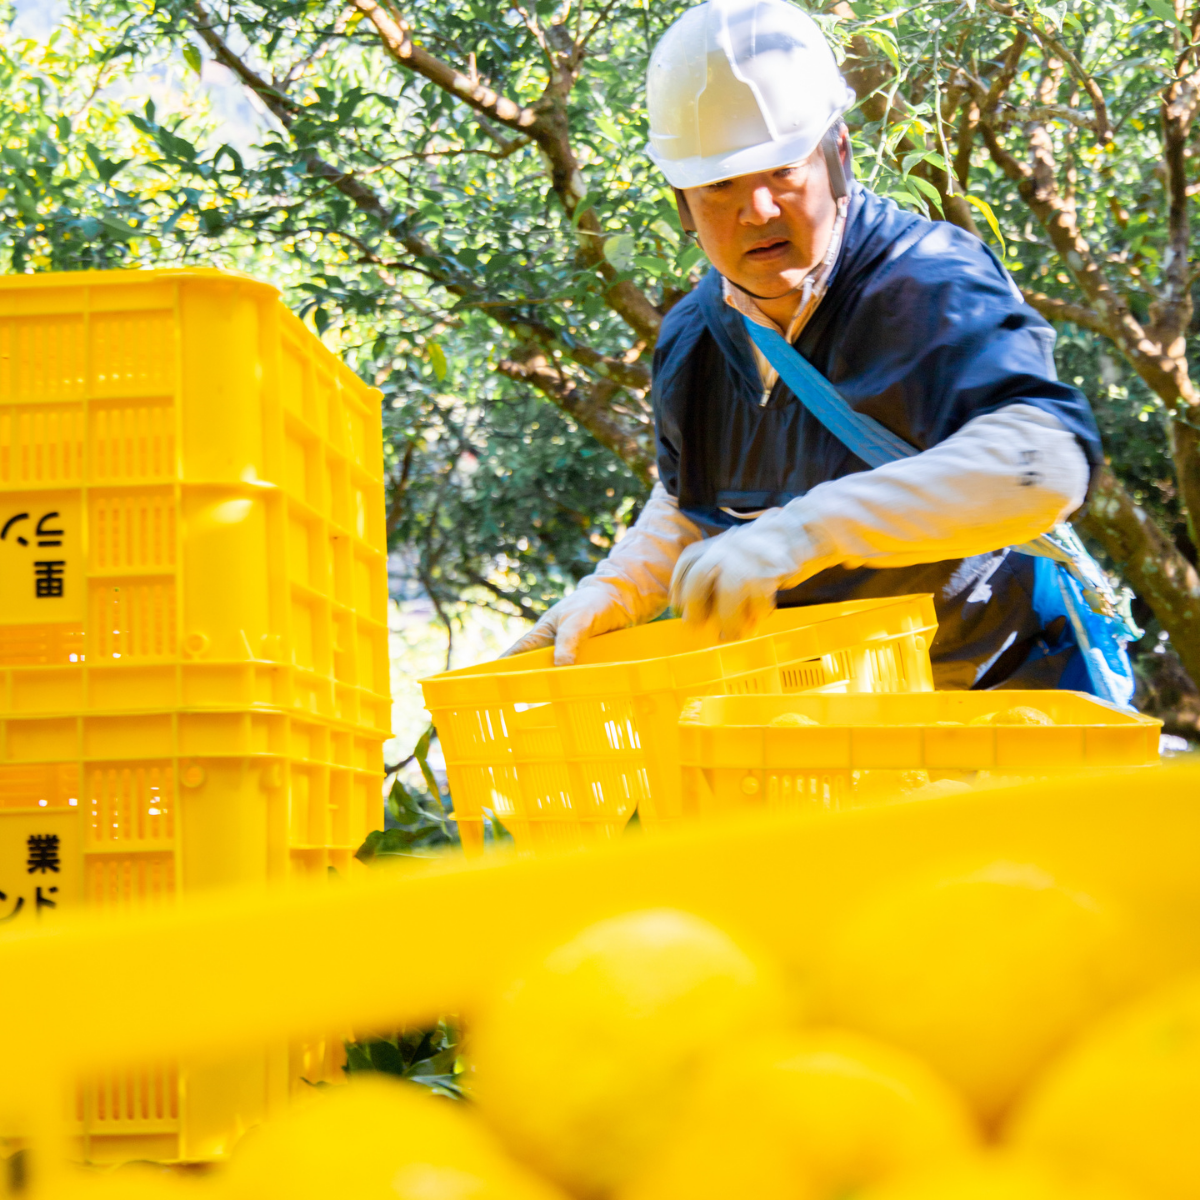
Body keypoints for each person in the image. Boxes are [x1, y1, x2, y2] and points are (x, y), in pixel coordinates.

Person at [505, 0, 1108, 694]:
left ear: (838, 153)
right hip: (831, 728)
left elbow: (1050, 462)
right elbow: (688, 496)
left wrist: (804, 533)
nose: (756, 210)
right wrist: (615, 591)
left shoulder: (928, 282)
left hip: (999, 700)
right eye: (718, 184)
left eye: (783, 169)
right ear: (683, 202)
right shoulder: (694, 338)